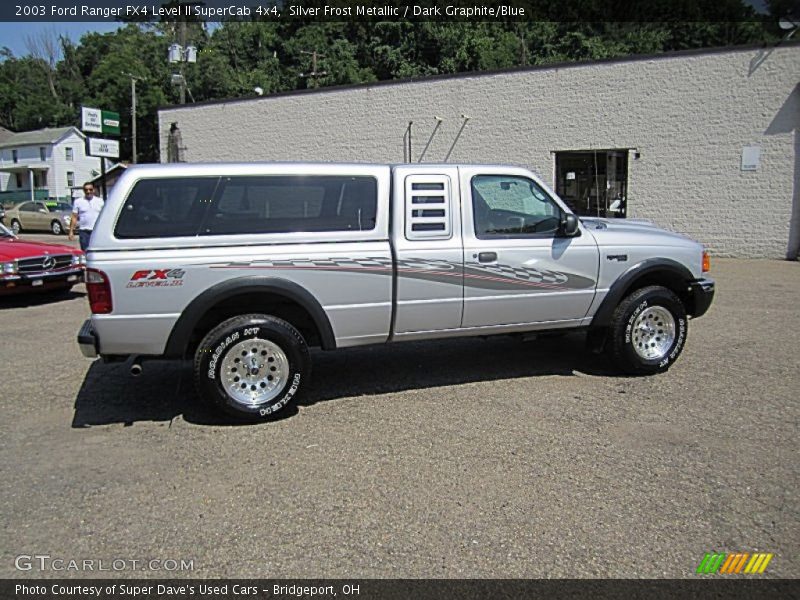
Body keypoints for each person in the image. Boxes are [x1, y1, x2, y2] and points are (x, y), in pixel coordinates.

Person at [68, 182, 104, 251]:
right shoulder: (78, 202)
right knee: (85, 251)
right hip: (84, 232)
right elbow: (74, 217)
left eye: (90, 189)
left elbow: (104, 216)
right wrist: (71, 231)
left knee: (97, 251)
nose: (88, 191)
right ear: (83, 191)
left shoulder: (100, 201)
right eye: (86, 190)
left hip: (96, 231)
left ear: (93, 190)